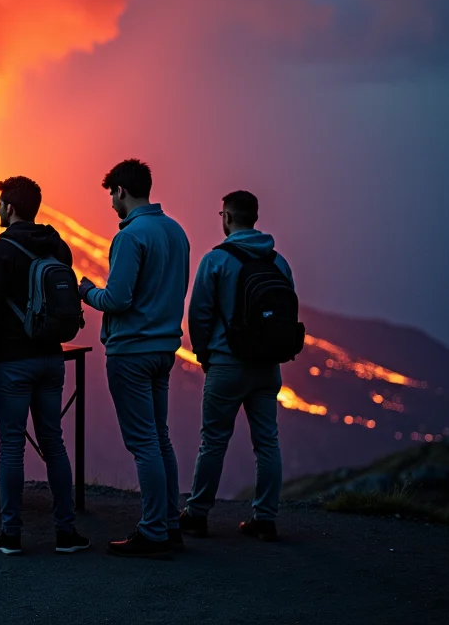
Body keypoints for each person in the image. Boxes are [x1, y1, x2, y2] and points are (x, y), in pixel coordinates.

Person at [79, 159, 189, 558]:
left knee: (144, 443)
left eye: (111, 195)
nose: (112, 203)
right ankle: (169, 524)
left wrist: (86, 292)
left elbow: (117, 298)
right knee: (160, 437)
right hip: (164, 349)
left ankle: (153, 531)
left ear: (121, 191)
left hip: (131, 352)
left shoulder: (130, 236)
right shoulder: (176, 232)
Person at [0, 176, 91, 556]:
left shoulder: (0, 250)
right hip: (52, 357)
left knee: (12, 445)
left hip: (13, 361)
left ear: (10, 208)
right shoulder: (57, 246)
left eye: (0, 204)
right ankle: (66, 533)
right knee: (54, 442)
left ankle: (11, 534)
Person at [181, 191, 294, 542]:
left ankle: (197, 515)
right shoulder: (279, 262)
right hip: (267, 367)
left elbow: (199, 314)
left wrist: (204, 355)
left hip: (226, 364)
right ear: (255, 217)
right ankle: (265, 519)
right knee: (267, 442)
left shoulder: (216, 260)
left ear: (227, 217)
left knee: (213, 442)